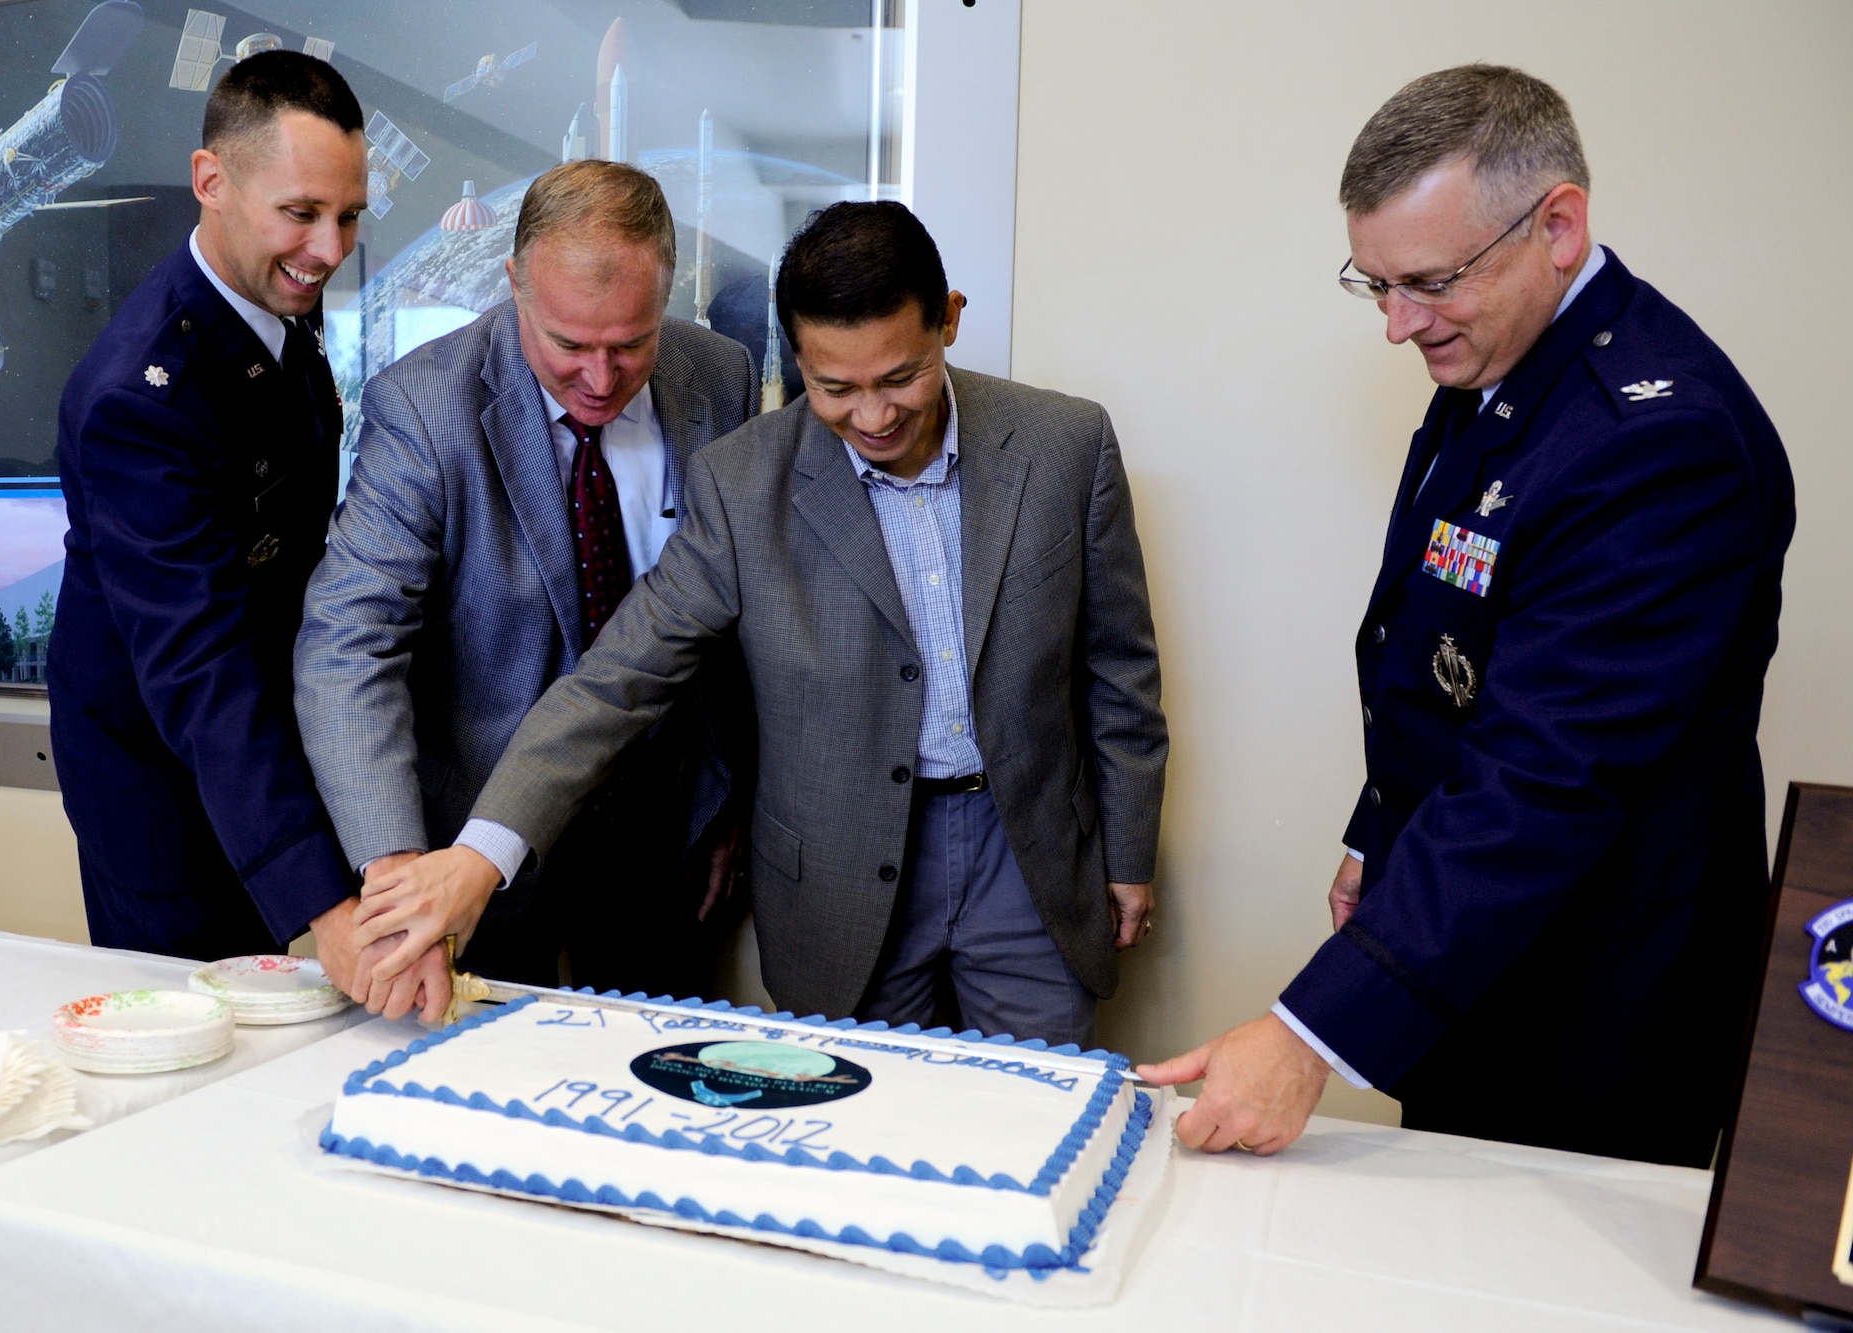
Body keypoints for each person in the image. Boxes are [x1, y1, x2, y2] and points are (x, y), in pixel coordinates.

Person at [1139, 65, 1794, 1166]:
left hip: (1593, 1006)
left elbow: (1542, 772)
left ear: (1557, 226)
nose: (1397, 326)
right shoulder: (1499, 360)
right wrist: (1378, 830)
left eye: (1429, 281)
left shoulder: (1651, 442)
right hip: (1469, 944)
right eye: (1375, 283)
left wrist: (1307, 1033)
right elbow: (1444, 637)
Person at [345, 201, 1168, 1048]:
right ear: (796, 358)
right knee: (853, 1128)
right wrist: (480, 856)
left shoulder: (1067, 444)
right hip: (844, 876)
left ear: (949, 321)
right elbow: (615, 679)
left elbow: (1119, 670)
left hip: (1027, 855)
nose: (875, 418)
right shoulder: (743, 485)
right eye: (834, 388)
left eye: (900, 378)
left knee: (1036, 1114)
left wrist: (1130, 850)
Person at [294, 160, 758, 1002]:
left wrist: (729, 799)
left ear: (669, 288)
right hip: (472, 835)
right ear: (514, 285)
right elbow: (347, 645)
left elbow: (727, 616)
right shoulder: (426, 407)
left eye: (631, 344)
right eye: (569, 345)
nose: (601, 378)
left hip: (662, 827)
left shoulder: (720, 378)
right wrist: (401, 878)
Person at [48, 52, 445, 1019]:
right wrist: (323, 899)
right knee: (196, 1081)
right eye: (300, 212)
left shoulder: (279, 319)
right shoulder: (138, 400)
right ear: (211, 181)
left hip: (268, 770)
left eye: (349, 216)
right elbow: (201, 667)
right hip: (169, 799)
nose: (328, 247)